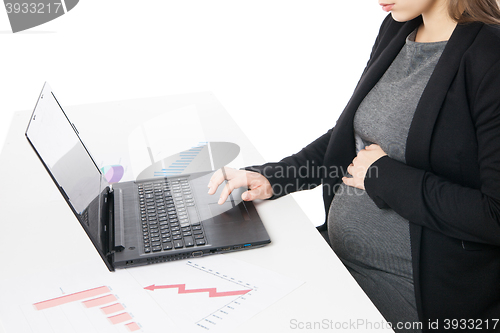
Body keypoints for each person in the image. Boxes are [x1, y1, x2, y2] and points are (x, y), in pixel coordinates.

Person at [208, 0, 500, 331]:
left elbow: (495, 215)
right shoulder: (398, 27)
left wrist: (385, 176)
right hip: (337, 259)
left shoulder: (491, 57)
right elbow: (353, 134)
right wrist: (276, 177)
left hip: (411, 293)